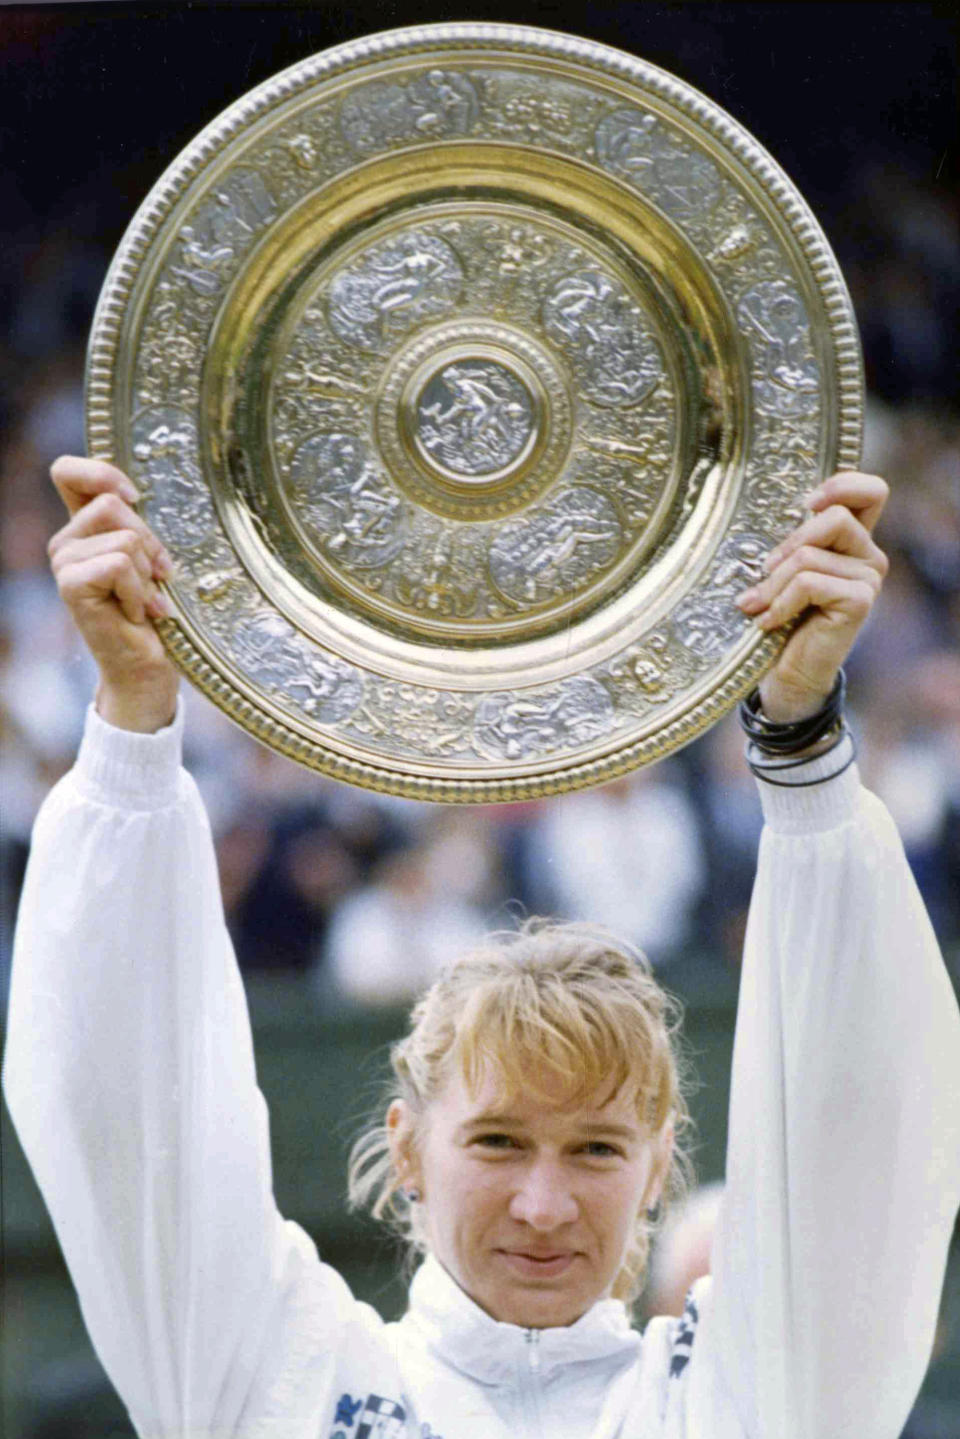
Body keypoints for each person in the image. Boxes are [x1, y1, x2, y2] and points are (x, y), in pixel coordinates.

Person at [3, 457, 960, 1439]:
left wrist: (802, 737)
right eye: (498, 1139)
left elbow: (866, 1129)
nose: (544, 1206)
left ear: (658, 1162)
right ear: (407, 1144)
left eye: (595, 1147)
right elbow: (123, 1105)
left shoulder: (745, 1401)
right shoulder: (278, 1376)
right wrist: (132, 713)